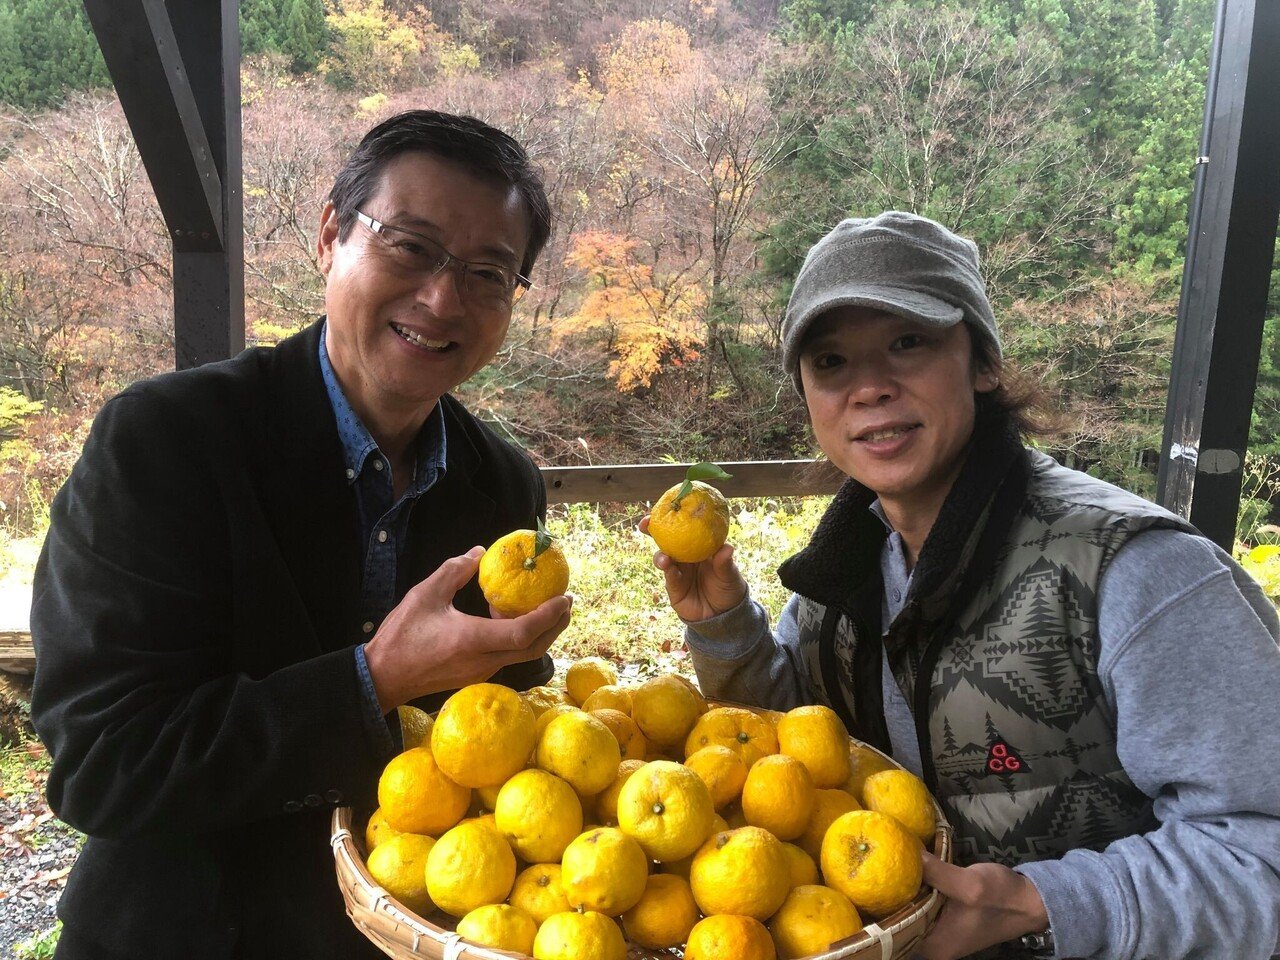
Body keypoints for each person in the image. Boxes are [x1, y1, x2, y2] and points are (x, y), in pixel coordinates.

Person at [646, 212, 1280, 959]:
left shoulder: (1142, 575)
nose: (870, 388)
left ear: (982, 363)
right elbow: (799, 762)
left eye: (908, 343)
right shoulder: (840, 570)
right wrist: (726, 627)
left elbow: (1261, 854)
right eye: (831, 362)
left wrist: (1046, 903)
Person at [29, 110, 574, 960]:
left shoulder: (501, 484)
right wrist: (373, 679)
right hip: (181, 933)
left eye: (488, 272)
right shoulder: (168, 441)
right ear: (330, 235)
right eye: (411, 245)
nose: (442, 297)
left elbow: (498, 744)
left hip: (407, 933)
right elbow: (103, 761)